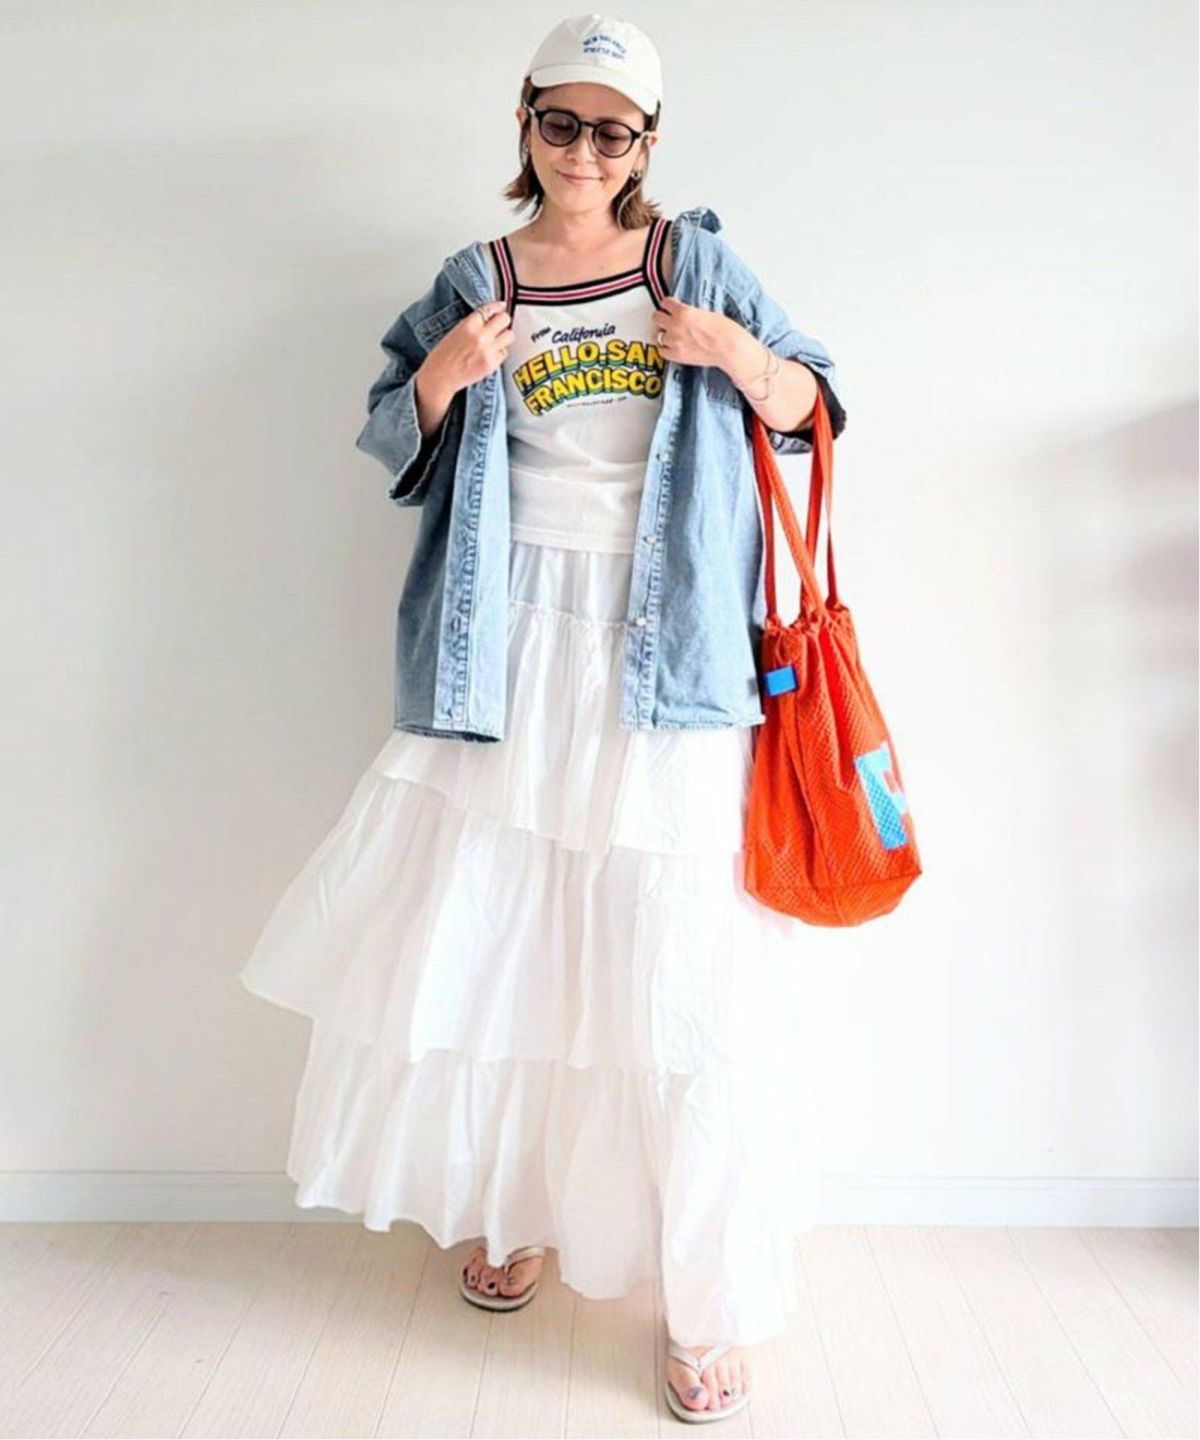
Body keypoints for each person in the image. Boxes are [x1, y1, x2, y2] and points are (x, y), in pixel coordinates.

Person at [239, 12, 845, 1423]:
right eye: (559, 123)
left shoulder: (696, 266)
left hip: (667, 656)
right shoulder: (480, 277)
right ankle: (511, 1213)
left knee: (677, 966)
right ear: (523, 123)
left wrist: (735, 356)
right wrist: (444, 374)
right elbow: (388, 431)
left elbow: (816, 407)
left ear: (648, 143)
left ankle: (702, 1298)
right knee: (499, 937)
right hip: (502, 645)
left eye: (611, 130)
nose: (583, 151)